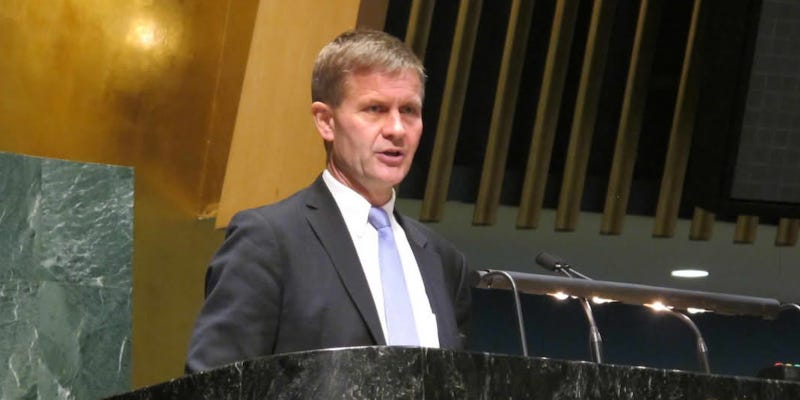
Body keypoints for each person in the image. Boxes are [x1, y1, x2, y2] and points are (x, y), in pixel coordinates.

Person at [185, 29, 476, 373]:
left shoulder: (443, 260)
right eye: (375, 109)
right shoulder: (268, 241)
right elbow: (215, 384)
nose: (397, 129)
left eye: (409, 110)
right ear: (326, 121)